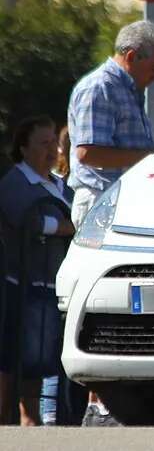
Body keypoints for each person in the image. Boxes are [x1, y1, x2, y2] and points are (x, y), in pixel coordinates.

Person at [67, 20, 154, 426]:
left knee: (125, 301)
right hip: (100, 208)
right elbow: (88, 152)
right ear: (131, 57)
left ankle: (114, 398)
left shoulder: (127, 89)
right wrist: (147, 158)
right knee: (105, 300)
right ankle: (100, 403)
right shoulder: (100, 88)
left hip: (122, 206)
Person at [0, 116, 75, 425]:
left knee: (39, 363)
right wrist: (64, 226)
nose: (53, 150)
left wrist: (60, 227)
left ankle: (31, 422)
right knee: (15, 363)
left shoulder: (59, 184)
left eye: (54, 143)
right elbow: (25, 221)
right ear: (23, 147)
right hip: (24, 287)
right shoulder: (15, 181)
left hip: (54, 287)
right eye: (44, 143)